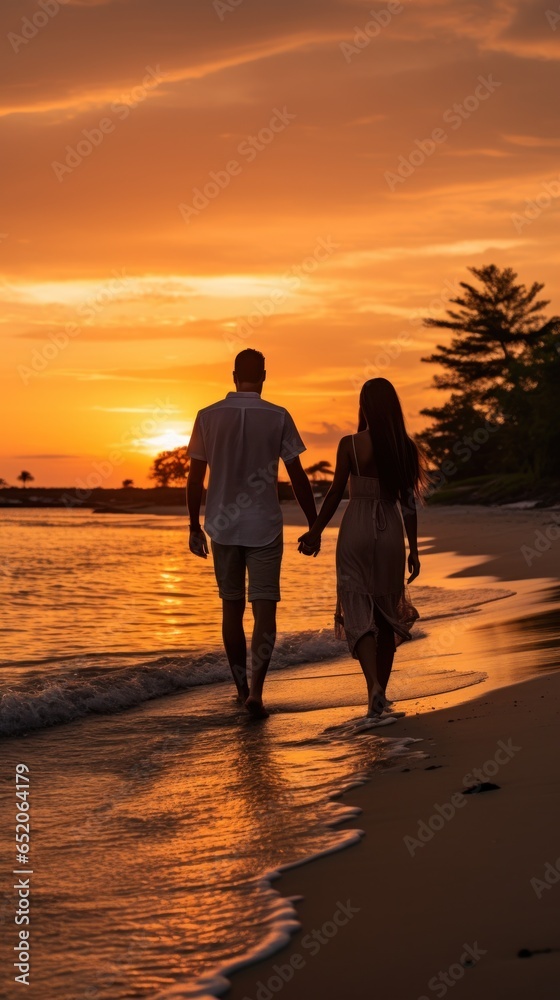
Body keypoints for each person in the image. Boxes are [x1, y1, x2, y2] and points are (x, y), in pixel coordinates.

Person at [187, 348, 319, 719]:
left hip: (221, 524)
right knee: (265, 610)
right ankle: (258, 691)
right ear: (264, 374)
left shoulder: (207, 416)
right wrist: (314, 524)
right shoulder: (278, 415)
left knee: (232, 609)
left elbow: (195, 477)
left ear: (233, 375)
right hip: (264, 524)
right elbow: (297, 476)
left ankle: (240, 686)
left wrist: (193, 525)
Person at [298, 378, 428, 722]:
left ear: (364, 406)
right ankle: (380, 693)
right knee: (386, 611)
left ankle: (373, 687)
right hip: (389, 532)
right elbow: (409, 503)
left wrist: (314, 531)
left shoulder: (350, 445)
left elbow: (336, 493)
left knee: (358, 607)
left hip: (355, 528)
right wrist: (413, 548)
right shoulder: (405, 447)